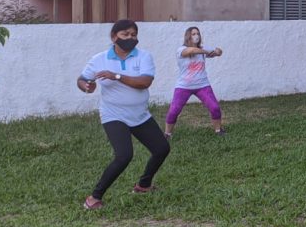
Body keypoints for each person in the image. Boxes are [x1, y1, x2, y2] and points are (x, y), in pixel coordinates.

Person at [77, 19, 170, 210]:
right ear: (114, 37)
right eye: (125, 34)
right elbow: (82, 79)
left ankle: (143, 186)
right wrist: (87, 86)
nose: (130, 38)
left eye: (134, 34)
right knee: (124, 155)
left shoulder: (144, 56)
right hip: (113, 114)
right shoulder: (99, 59)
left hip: (140, 115)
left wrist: (117, 76)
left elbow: (144, 82)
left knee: (162, 149)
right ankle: (94, 198)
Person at [164, 26, 225, 138]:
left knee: (214, 107)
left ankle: (218, 130)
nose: (196, 36)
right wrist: (207, 51)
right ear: (188, 36)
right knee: (174, 110)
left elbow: (218, 53)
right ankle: (167, 134)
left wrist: (217, 51)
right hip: (183, 86)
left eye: (198, 33)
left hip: (202, 85)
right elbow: (192, 50)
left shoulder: (202, 50)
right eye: (193, 34)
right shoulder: (181, 49)